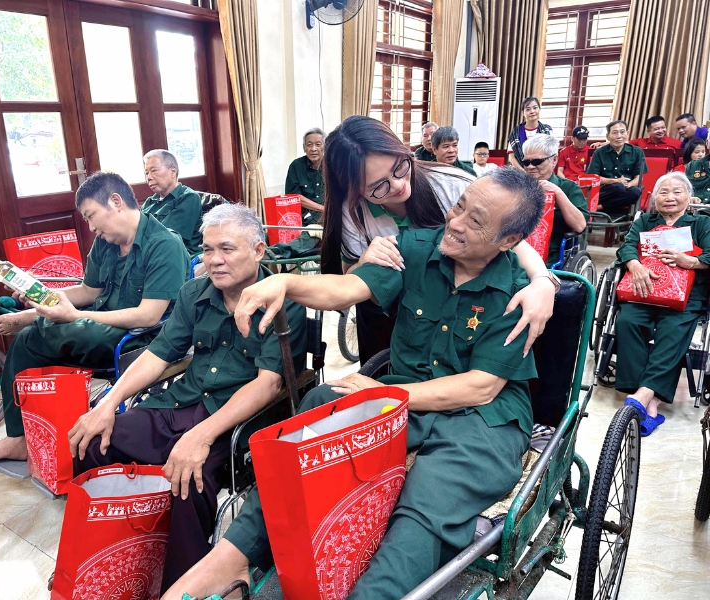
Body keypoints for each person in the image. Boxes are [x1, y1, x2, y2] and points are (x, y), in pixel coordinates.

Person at [164, 167, 545, 600]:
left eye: (475, 221)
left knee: (427, 501)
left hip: (483, 420)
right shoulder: (415, 249)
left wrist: (383, 393)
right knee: (317, 409)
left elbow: (481, 387)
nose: (455, 223)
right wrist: (285, 282)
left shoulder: (518, 293)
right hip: (405, 398)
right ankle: (231, 558)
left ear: (508, 240)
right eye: (458, 206)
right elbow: (345, 290)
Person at [66, 203, 306, 592]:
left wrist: (201, 435)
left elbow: (268, 384)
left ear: (258, 250)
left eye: (227, 249)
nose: (214, 260)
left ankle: (181, 584)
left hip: (234, 421)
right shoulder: (194, 293)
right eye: (208, 249)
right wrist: (107, 403)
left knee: (187, 481)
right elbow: (158, 355)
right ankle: (114, 555)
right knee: (91, 441)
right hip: (177, 404)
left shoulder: (284, 302)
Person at [0, 172, 190, 463]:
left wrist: (72, 315)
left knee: (60, 329)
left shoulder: (164, 244)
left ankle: (35, 318)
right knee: (25, 341)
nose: (91, 227)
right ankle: (18, 438)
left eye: (91, 216)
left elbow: (149, 316)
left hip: (140, 339)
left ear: (116, 202)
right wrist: (41, 294)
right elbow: (88, 291)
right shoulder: (106, 242)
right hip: (99, 325)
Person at [318, 116, 556, 365]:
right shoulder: (352, 212)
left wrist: (543, 281)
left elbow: (507, 240)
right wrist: (364, 263)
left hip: (452, 306)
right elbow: (349, 278)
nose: (398, 185)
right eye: (379, 186)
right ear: (354, 190)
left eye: (400, 167)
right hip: (385, 313)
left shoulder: (451, 184)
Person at [614, 172, 710, 436]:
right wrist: (635, 265)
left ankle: (645, 399)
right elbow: (626, 247)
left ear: (689, 197)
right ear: (655, 198)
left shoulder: (701, 223)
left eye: (677, 192)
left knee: (672, 331)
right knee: (628, 321)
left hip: (687, 295)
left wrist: (691, 261)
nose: (670, 197)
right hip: (643, 290)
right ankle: (645, 399)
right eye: (663, 192)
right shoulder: (645, 221)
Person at [522, 135, 588, 265]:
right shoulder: (517, 187)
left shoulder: (569, 188)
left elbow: (579, 226)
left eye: (537, 161)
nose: (530, 167)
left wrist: (557, 193)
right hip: (515, 249)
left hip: (550, 254)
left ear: (554, 160)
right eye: (526, 162)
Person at [142, 149, 203, 254]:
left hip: (176, 257)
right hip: (148, 254)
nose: (149, 177)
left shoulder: (188, 198)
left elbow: (166, 239)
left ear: (173, 171)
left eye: (154, 171)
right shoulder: (149, 202)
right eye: (146, 173)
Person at [586, 120, 648, 215]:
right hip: (606, 191)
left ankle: (599, 207)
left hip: (625, 189)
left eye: (622, 132)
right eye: (615, 133)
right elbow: (593, 177)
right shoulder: (599, 153)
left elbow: (639, 178)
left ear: (627, 134)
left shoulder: (637, 152)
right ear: (608, 136)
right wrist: (615, 181)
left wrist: (629, 184)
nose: (619, 136)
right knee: (619, 187)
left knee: (635, 191)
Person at [284, 128, 326, 226]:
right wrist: (322, 208)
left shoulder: (333, 166)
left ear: (325, 147)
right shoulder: (296, 166)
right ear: (304, 148)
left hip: (328, 218)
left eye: (318, 144)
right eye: (309, 145)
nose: (313, 149)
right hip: (303, 219)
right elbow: (293, 196)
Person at [506, 97, 553, 170]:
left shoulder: (547, 131)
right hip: (520, 172)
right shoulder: (515, 132)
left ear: (539, 109)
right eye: (528, 109)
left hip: (542, 171)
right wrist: (524, 172)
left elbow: (551, 156)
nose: (532, 111)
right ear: (523, 113)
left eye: (535, 108)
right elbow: (511, 158)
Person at [685, 139, 710, 203]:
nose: (701, 154)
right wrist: (688, 198)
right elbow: (684, 189)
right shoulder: (692, 165)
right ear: (707, 143)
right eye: (697, 152)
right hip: (695, 207)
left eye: (703, 152)